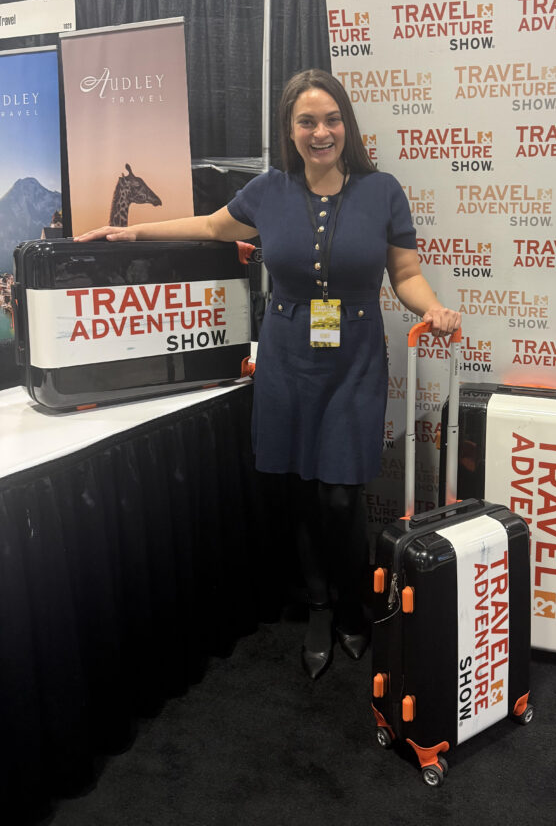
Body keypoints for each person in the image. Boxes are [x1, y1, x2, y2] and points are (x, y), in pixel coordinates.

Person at [76, 68, 462, 679]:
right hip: (287, 357)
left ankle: (355, 603)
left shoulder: (382, 190)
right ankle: (319, 606)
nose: (320, 132)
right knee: (301, 487)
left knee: (341, 491)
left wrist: (433, 307)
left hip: (356, 359)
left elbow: (406, 273)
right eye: (307, 121)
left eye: (331, 119)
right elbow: (209, 226)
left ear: (347, 123)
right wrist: (130, 230)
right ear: (290, 128)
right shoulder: (268, 190)